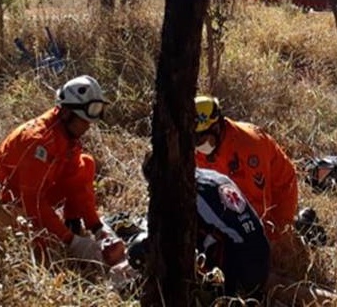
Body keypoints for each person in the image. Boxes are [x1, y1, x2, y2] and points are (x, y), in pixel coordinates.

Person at [0, 75, 122, 265]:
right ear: (66, 113)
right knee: (44, 250)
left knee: (85, 164)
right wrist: (72, 242)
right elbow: (33, 201)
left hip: (34, 195)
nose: (88, 126)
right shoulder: (37, 141)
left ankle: (73, 224)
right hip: (6, 203)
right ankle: (65, 235)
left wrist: (97, 227)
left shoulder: (67, 136)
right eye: (83, 120)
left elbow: (75, 180)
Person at [119, 167, 271, 298]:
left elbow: (175, 237)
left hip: (242, 271)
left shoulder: (191, 196)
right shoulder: (209, 176)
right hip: (260, 254)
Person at [193, 95, 298, 242]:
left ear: (216, 127)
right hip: (234, 193)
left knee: (263, 242)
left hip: (276, 197)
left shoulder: (248, 148)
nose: (198, 147)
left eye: (201, 140)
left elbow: (260, 206)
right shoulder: (201, 147)